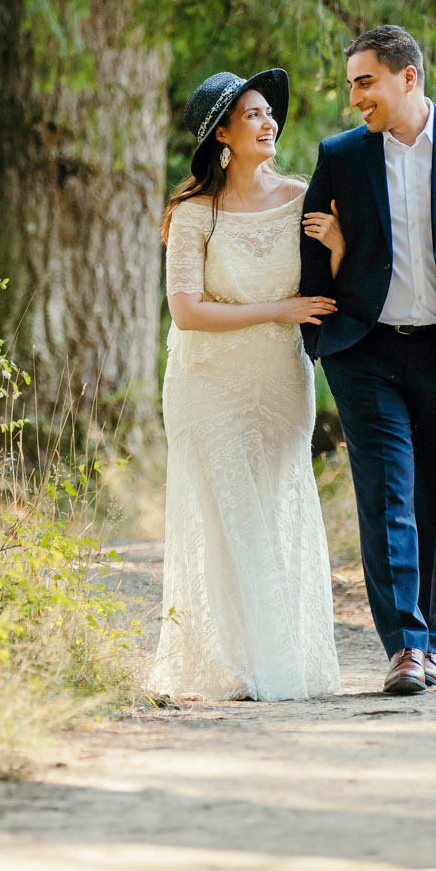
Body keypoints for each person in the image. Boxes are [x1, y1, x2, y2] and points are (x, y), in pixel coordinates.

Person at [299, 26, 436, 695]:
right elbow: (313, 246)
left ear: (408, 77)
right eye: (350, 85)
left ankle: (432, 642)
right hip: (363, 351)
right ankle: (404, 646)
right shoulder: (341, 156)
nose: (354, 98)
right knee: (388, 493)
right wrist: (322, 336)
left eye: (364, 81)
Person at [149, 68, 343, 701]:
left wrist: (338, 246)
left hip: (282, 381)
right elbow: (186, 311)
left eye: (270, 113)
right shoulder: (192, 212)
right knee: (228, 516)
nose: (269, 123)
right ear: (223, 135)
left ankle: (279, 657)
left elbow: (334, 288)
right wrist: (276, 312)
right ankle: (237, 665)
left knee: (272, 511)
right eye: (253, 115)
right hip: (208, 383)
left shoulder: (303, 196)